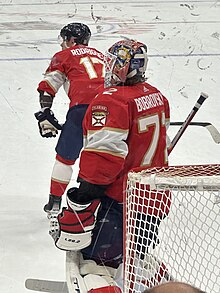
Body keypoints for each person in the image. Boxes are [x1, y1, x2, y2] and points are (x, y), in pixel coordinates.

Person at [52, 39, 170, 292]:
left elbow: (103, 156)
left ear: (125, 66)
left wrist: (84, 195)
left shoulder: (111, 101)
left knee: (94, 267)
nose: (110, 67)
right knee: (133, 255)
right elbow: (163, 144)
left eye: (115, 62)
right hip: (154, 201)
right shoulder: (156, 95)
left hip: (119, 204)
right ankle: (157, 283)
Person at [34, 22, 104, 215]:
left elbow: (48, 86)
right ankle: (100, 202)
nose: (62, 44)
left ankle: (55, 203)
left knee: (65, 159)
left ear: (71, 40)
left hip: (81, 110)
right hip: (110, 109)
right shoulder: (102, 56)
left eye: (64, 40)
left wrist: (45, 113)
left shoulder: (64, 56)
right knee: (104, 157)